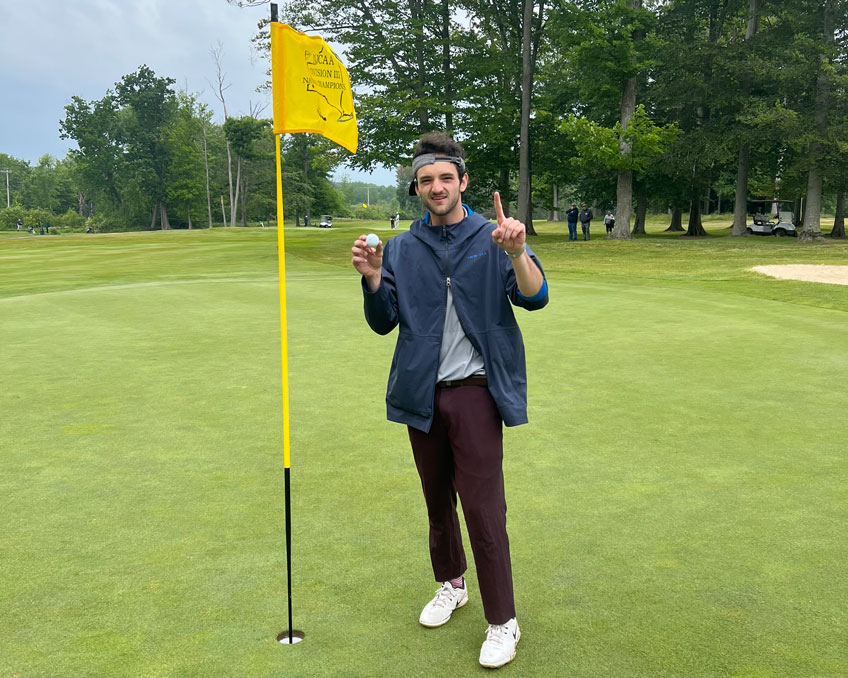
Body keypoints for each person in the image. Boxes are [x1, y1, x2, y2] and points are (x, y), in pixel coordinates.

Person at [351, 132, 548, 669]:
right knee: (437, 501)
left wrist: (518, 251)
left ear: (463, 182)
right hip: (421, 397)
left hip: (477, 394)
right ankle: (451, 584)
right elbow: (383, 321)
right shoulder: (404, 248)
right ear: (417, 189)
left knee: (485, 511)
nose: (436, 187)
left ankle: (503, 621)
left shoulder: (494, 236)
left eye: (445, 178)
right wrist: (372, 280)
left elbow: (534, 297)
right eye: (425, 181)